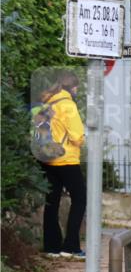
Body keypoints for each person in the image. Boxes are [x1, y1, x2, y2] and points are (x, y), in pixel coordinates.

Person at [37, 72, 86, 258]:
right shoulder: (68, 106)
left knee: (52, 201)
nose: (77, 90)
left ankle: (51, 247)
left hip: (48, 159)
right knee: (80, 198)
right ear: (70, 87)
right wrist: (83, 139)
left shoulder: (47, 104)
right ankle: (71, 246)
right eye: (76, 87)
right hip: (67, 159)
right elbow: (77, 137)